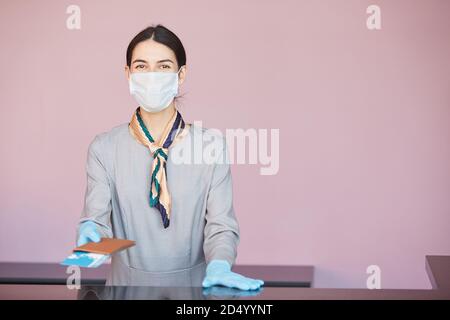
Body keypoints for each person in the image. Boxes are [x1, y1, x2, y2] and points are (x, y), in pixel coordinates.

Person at [76, 24, 264, 290]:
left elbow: (221, 226)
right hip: (124, 292)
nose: (151, 75)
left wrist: (220, 264)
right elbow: (97, 220)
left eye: (163, 66)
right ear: (128, 73)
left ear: (181, 74)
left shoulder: (211, 147)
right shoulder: (104, 148)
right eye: (141, 66)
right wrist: (90, 233)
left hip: (194, 296)